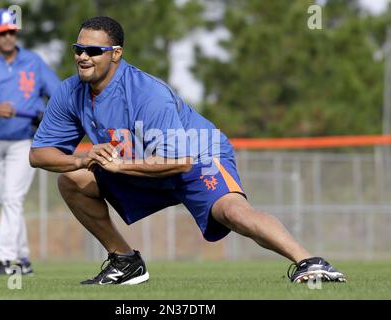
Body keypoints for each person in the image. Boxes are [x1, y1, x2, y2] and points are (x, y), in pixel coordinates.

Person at [29, 16, 346, 285]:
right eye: (79, 49)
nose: (83, 56)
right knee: (71, 179)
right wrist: (81, 159)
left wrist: (119, 166)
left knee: (232, 212)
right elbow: (39, 154)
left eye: (93, 50)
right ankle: (126, 262)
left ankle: (311, 263)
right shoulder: (69, 92)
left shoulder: (146, 93)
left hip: (197, 158)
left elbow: (179, 161)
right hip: (145, 165)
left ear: (115, 54)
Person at [0, 8, 61, 275]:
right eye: (1, 33)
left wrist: (47, 115)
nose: (7, 37)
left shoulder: (33, 62)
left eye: (11, 32)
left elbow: (58, 93)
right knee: (9, 201)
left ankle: (8, 261)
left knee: (11, 199)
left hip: (23, 141)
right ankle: (23, 259)